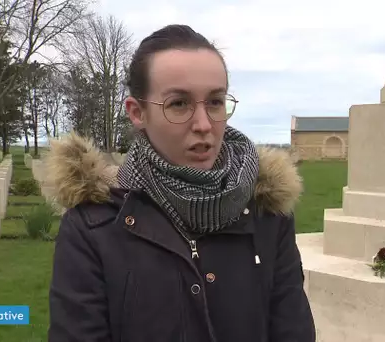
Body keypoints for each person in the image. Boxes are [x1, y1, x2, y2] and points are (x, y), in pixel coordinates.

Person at [46, 24, 315, 342]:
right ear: (137, 112)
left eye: (215, 102)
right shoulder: (93, 228)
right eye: (178, 104)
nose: (203, 125)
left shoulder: (267, 214)